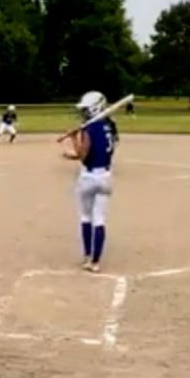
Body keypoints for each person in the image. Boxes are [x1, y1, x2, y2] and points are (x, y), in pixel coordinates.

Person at [69, 90, 118, 271]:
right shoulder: (109, 126)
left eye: (86, 109)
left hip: (89, 177)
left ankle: (87, 257)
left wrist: (74, 139)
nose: (84, 112)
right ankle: (95, 262)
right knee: (100, 219)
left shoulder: (89, 128)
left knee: (86, 217)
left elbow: (83, 156)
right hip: (105, 176)